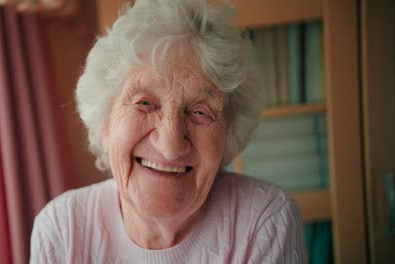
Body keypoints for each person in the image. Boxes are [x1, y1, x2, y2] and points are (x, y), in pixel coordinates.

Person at [30, 0, 307, 263]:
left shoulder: (265, 220)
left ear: (228, 137)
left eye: (200, 112)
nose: (170, 144)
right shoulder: (63, 230)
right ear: (105, 122)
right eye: (145, 104)